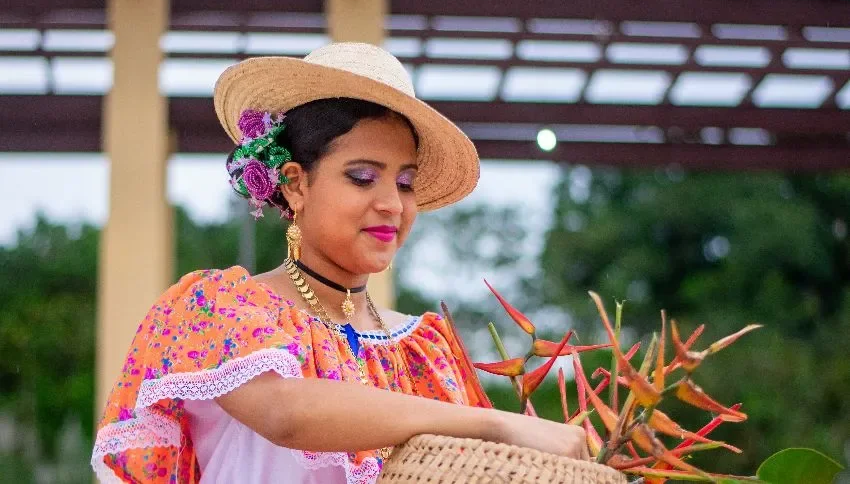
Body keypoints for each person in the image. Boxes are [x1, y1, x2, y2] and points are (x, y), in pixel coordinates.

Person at [91, 42, 587, 484]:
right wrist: (497, 422)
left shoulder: (425, 347)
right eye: (363, 177)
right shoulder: (217, 308)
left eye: (406, 182)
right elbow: (285, 411)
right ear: (295, 183)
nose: (393, 204)